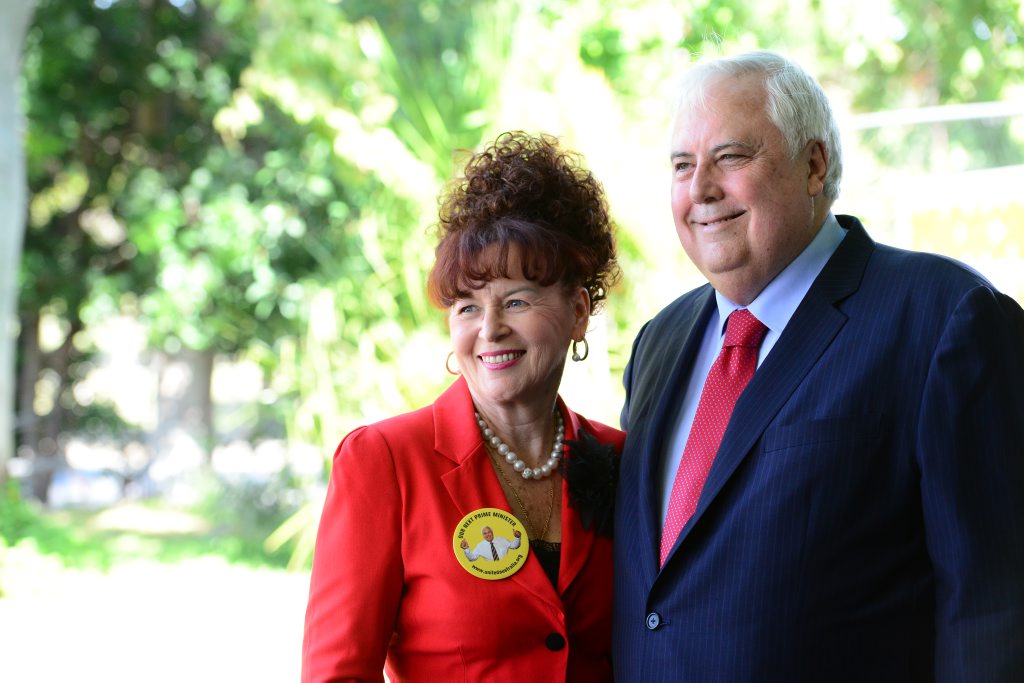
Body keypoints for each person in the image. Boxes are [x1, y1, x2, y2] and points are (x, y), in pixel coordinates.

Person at [613, 50, 1024, 681]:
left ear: (813, 164)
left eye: (730, 157)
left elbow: (992, 609)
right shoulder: (657, 344)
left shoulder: (944, 318)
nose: (700, 189)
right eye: (681, 166)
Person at [302, 131, 624, 682]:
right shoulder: (384, 462)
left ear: (578, 312)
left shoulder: (622, 459)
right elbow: (337, 673)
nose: (490, 330)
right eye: (468, 307)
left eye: (517, 300)